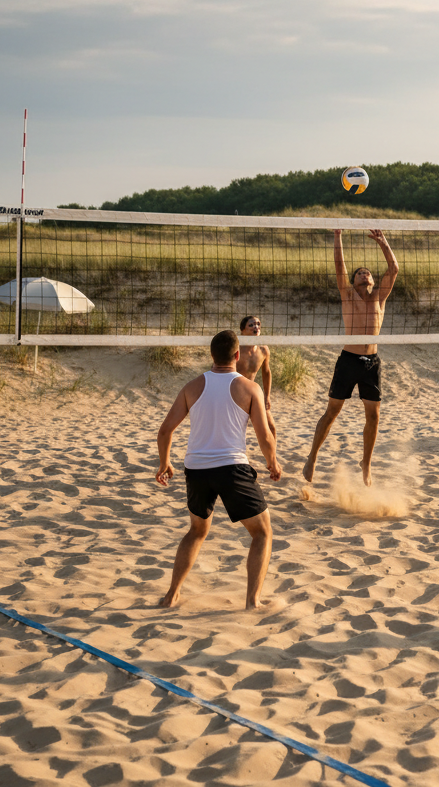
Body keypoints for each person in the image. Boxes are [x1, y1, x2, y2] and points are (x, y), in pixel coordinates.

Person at [155, 329, 281, 610]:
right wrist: (272, 463)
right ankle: (252, 602)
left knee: (197, 531)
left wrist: (165, 462)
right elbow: (264, 435)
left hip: (196, 469)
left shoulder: (191, 386)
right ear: (238, 356)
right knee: (262, 533)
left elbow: (165, 431)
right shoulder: (249, 388)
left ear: (210, 355)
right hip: (232, 468)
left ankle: (171, 596)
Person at [303, 229, 398, 487]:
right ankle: (313, 455)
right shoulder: (347, 294)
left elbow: (394, 268)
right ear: (354, 281)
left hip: (372, 363)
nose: (364, 275)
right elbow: (339, 266)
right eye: (359, 273)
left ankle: (366, 463)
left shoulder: (379, 297)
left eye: (367, 273)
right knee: (332, 411)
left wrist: (382, 241)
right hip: (348, 360)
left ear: (372, 280)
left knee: (374, 417)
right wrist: (337, 235)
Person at [238, 315, 276, 436]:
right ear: (242, 330)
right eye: (251, 325)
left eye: (258, 324)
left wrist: (267, 395)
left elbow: (266, 372)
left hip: (252, 392)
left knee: (271, 428)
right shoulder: (235, 348)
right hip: (233, 392)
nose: (256, 327)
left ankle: (272, 455)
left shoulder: (263, 349)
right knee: (235, 430)